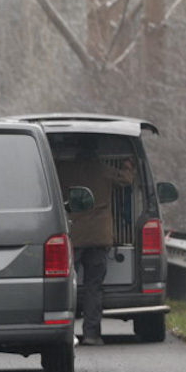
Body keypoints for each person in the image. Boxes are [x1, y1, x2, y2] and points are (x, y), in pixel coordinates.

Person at [55, 142, 120, 345]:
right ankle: (92, 334)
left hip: (74, 236)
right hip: (99, 238)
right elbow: (126, 180)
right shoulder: (104, 169)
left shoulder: (66, 170)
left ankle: (65, 334)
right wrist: (128, 165)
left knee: (66, 286)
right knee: (94, 287)